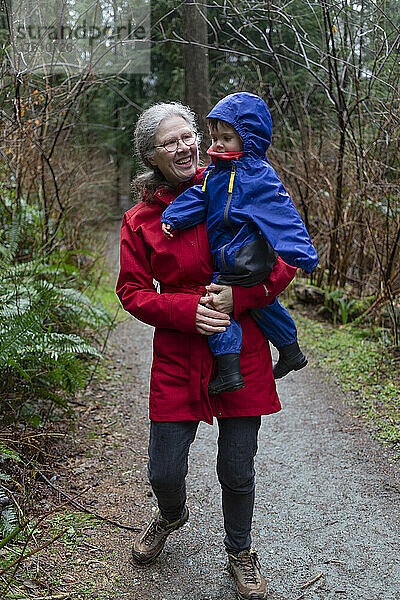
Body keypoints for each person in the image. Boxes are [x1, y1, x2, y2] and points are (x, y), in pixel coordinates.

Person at [116, 101, 297, 600]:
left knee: (237, 467)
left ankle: (240, 550)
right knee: (164, 469)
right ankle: (172, 514)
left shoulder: (238, 182)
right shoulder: (141, 220)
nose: (184, 146)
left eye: (187, 136)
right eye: (169, 142)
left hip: (243, 347)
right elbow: (132, 291)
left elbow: (284, 257)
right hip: (178, 355)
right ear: (151, 155)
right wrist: (183, 311)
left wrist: (244, 295)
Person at [161, 92, 318, 395]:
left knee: (217, 307)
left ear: (249, 139)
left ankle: (230, 371)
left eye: (227, 138)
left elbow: (282, 214)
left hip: (244, 258)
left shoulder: (257, 176)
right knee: (264, 306)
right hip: (233, 257)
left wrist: (303, 254)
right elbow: (199, 198)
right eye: (215, 136)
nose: (217, 144)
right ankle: (291, 351)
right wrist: (174, 216)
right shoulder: (215, 174)